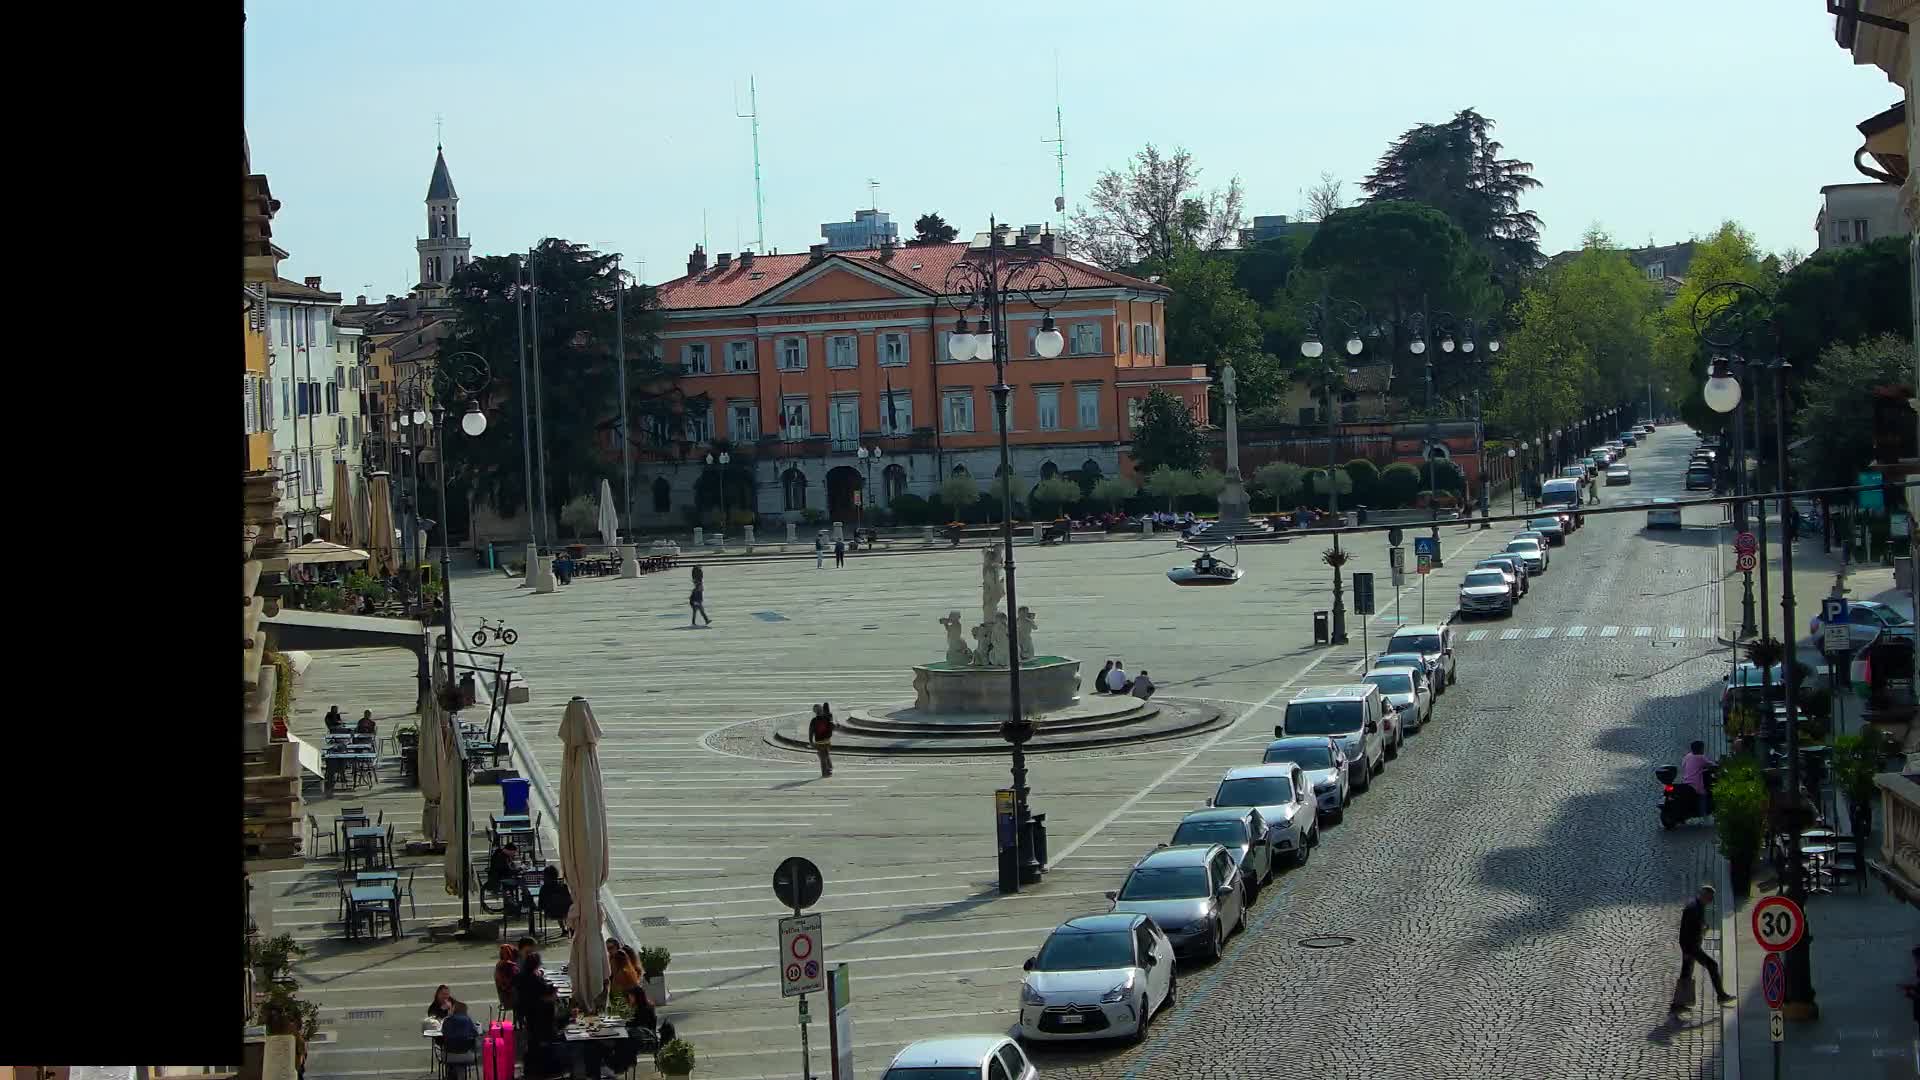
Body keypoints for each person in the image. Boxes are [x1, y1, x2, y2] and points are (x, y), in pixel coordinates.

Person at [1669, 885, 1735, 1011]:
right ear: (1705, 896)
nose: (1710, 902)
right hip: (1691, 947)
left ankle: (1678, 1004)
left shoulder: (1698, 906)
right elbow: (1685, 932)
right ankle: (1721, 996)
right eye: (1710, 899)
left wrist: (1703, 927)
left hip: (1692, 946)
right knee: (1712, 965)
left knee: (1686, 974)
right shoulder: (1693, 909)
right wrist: (1686, 951)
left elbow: (1696, 925)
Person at [438, 999, 481, 1064]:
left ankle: (450, 1071)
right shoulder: (468, 1020)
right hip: (467, 1055)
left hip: (448, 1056)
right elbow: (475, 1037)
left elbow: (442, 1037)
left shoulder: (446, 1021)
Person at [538, 864, 574, 935]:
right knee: (559, 905)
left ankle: (563, 929)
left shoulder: (544, 889)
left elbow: (541, 905)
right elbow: (570, 901)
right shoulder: (564, 887)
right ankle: (567, 929)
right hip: (564, 913)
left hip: (550, 913)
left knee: (554, 905)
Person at [1680, 740, 1713, 808]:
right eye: (1703, 748)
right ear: (1700, 749)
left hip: (1685, 783)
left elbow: (1683, 765)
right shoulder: (1700, 758)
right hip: (1696, 787)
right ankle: (1704, 812)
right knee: (1703, 796)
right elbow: (1711, 765)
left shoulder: (1687, 756)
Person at [810, 703, 836, 778]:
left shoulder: (815, 720)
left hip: (822, 740)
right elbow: (831, 726)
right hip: (824, 740)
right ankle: (827, 770)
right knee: (825, 755)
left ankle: (827, 770)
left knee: (824, 755)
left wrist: (811, 741)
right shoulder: (825, 718)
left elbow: (811, 731)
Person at [493, 944, 518, 1011]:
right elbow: (515, 980)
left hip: (503, 998)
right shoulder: (509, 966)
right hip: (511, 999)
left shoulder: (499, 964)